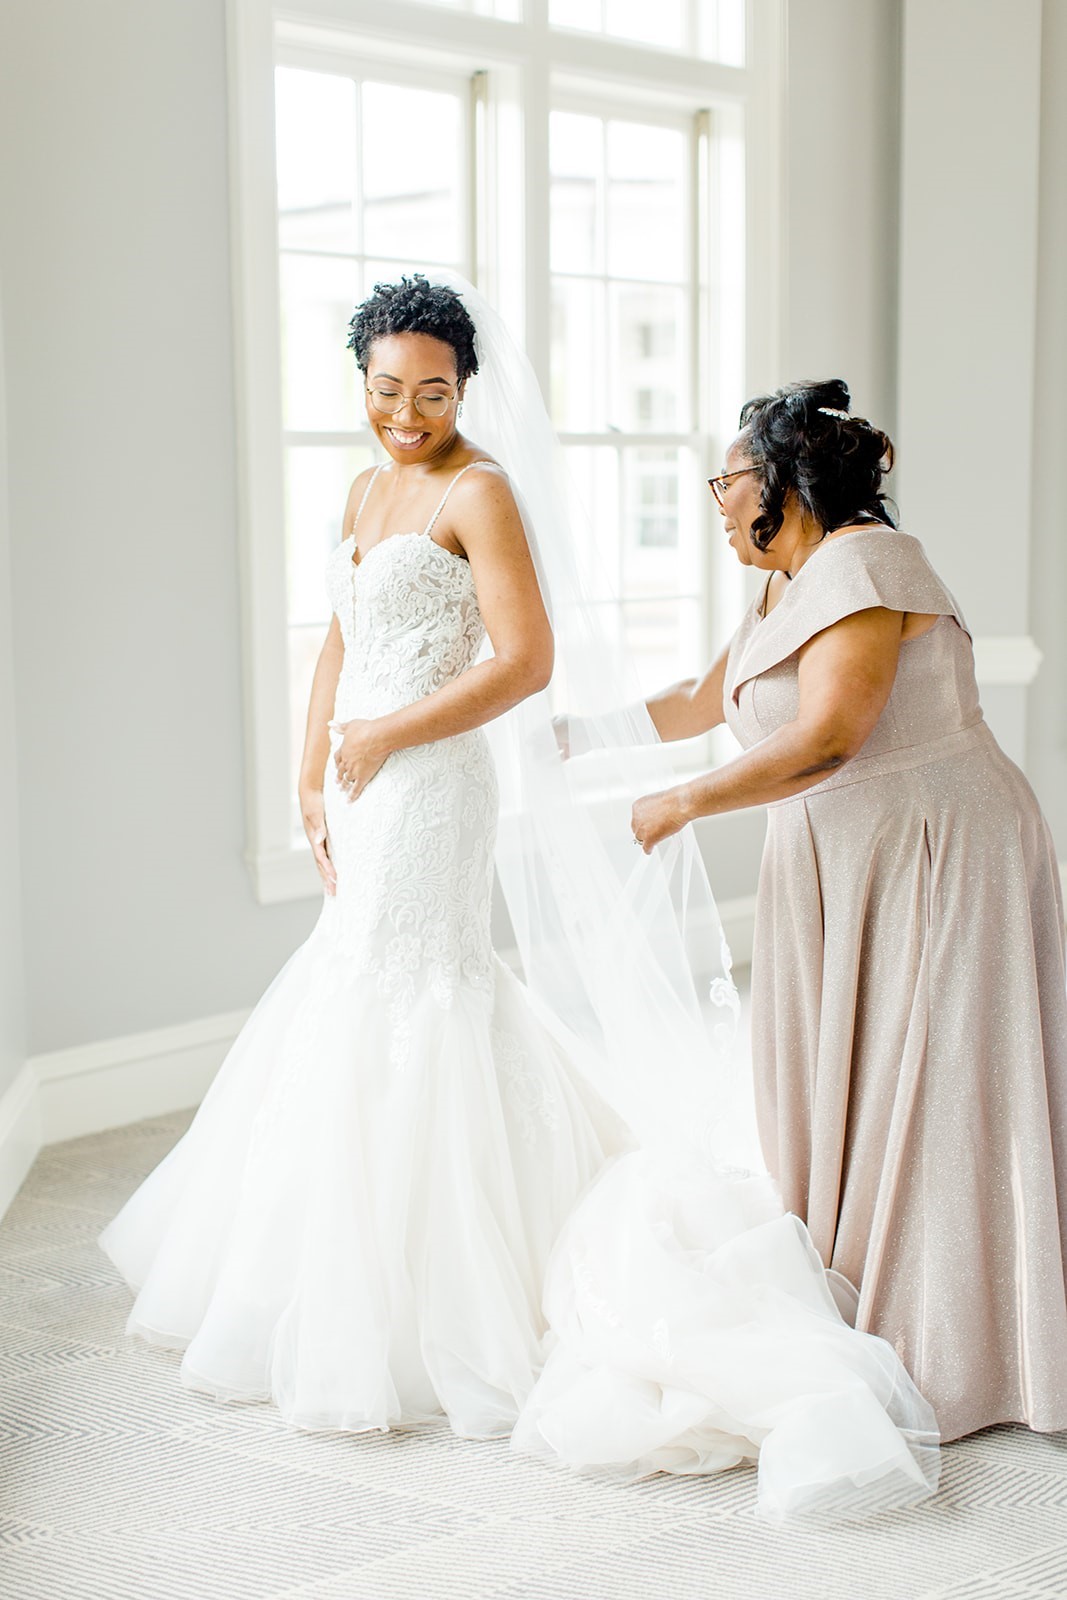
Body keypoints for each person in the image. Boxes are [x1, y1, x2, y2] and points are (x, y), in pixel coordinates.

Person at [99, 286, 938, 1520]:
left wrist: (388, 736)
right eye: (384, 389)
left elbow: (523, 661)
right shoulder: (360, 488)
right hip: (364, 778)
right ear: (360, 379)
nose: (404, 413)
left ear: (465, 387)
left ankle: (451, 1297)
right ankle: (336, 1276)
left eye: (431, 392)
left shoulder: (476, 491)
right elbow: (336, 639)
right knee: (355, 998)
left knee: (421, 994)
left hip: (431, 784)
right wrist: (312, 767)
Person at [627, 378, 1067, 1444]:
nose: (715, 500)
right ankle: (862, 1277)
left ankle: (964, 1345)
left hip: (929, 847)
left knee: (937, 1086)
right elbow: (701, 699)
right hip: (835, 860)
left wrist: (684, 799)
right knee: (835, 1086)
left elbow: (830, 733)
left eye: (725, 480)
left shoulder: (866, 562)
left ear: (782, 481)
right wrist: (556, 737)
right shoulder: (786, 583)